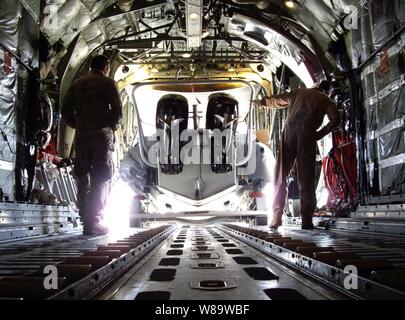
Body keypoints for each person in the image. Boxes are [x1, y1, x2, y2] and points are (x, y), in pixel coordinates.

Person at [259, 81, 339, 230]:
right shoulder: (325, 99)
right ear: (326, 91)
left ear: (314, 85)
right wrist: (319, 134)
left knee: (280, 175)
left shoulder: (299, 92)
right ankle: (306, 220)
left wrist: (263, 101)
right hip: (307, 134)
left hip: (289, 132)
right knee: (306, 179)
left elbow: (278, 99)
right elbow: (336, 119)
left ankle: (276, 218)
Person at [61, 55, 122, 236]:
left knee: (83, 176)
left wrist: (79, 125)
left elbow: (65, 111)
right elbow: (117, 112)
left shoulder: (77, 85)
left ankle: (84, 216)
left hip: (82, 138)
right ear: (105, 67)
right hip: (101, 137)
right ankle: (93, 222)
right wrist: (110, 126)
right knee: (101, 177)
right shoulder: (108, 84)